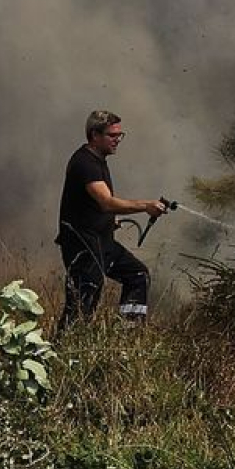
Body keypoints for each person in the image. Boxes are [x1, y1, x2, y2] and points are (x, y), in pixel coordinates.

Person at [56, 110, 168, 333]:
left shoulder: (98, 160)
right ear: (95, 135)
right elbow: (106, 202)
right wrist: (146, 206)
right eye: (112, 135)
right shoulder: (85, 163)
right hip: (83, 246)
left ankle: (128, 333)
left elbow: (93, 204)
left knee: (137, 275)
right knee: (82, 305)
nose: (118, 139)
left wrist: (108, 220)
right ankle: (60, 353)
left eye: (120, 134)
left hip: (101, 241)